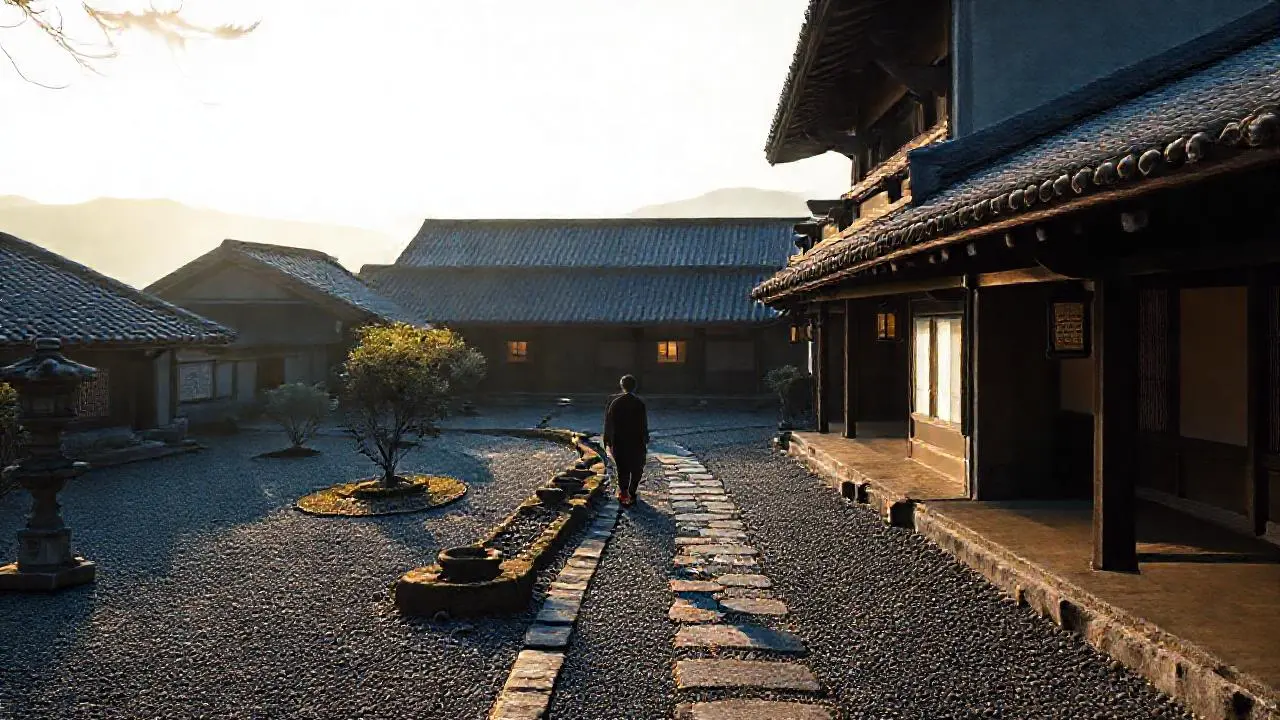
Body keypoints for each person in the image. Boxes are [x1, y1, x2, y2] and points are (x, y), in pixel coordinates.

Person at [603, 374, 648, 507]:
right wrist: (645, 438)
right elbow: (643, 423)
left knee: (622, 468)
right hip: (636, 440)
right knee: (637, 467)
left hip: (619, 440)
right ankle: (632, 492)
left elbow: (608, 422)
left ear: (622, 386)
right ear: (635, 387)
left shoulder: (615, 403)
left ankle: (623, 493)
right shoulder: (639, 403)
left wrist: (607, 439)